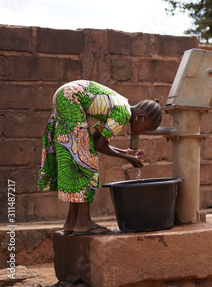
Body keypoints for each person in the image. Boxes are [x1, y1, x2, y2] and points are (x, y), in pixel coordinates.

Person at [37, 80, 162, 235]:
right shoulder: (124, 114)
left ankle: (71, 221)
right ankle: (83, 222)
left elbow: (95, 142)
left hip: (65, 94)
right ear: (141, 118)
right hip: (71, 97)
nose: (142, 132)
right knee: (85, 160)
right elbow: (100, 146)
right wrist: (129, 159)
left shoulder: (119, 105)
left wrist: (125, 152)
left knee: (80, 157)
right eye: (146, 128)